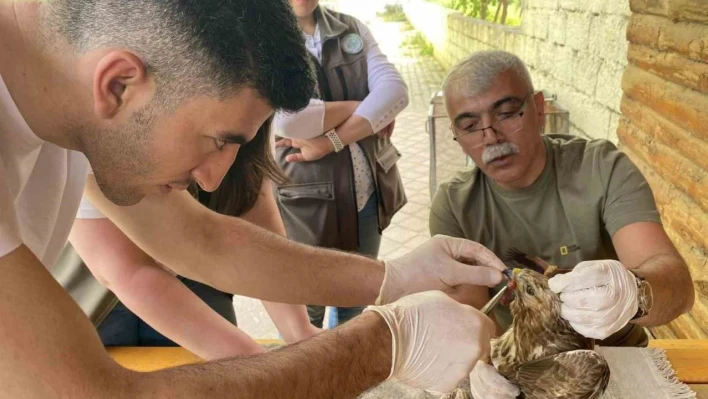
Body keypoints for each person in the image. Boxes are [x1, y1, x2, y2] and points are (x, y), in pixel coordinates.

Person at [0, 1, 507, 397]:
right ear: (119, 83)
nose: (216, 181)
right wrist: (387, 343)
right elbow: (90, 393)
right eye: (219, 140)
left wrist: (393, 278)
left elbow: (201, 238)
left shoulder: (66, 96)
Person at [429, 50, 695, 397]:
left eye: (507, 113)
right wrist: (481, 364)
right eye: (469, 126)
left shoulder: (601, 168)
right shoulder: (453, 206)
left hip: (615, 359)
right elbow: (472, 319)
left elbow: (677, 286)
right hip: (521, 368)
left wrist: (636, 294)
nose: (490, 136)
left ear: (539, 108)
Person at [70, 118, 321, 359]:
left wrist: (299, 329)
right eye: (218, 142)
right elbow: (127, 270)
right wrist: (257, 366)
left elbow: (252, 203)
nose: (211, 182)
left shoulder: (253, 109)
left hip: (195, 274)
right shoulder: (93, 126)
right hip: (96, 290)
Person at [272, 0, 408, 327]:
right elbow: (290, 119)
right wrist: (367, 109)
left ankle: (345, 365)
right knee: (310, 304)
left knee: (359, 292)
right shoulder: (261, 37)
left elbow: (395, 90)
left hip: (367, 193)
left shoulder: (351, 28)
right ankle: (312, 369)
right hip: (304, 199)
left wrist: (326, 142)